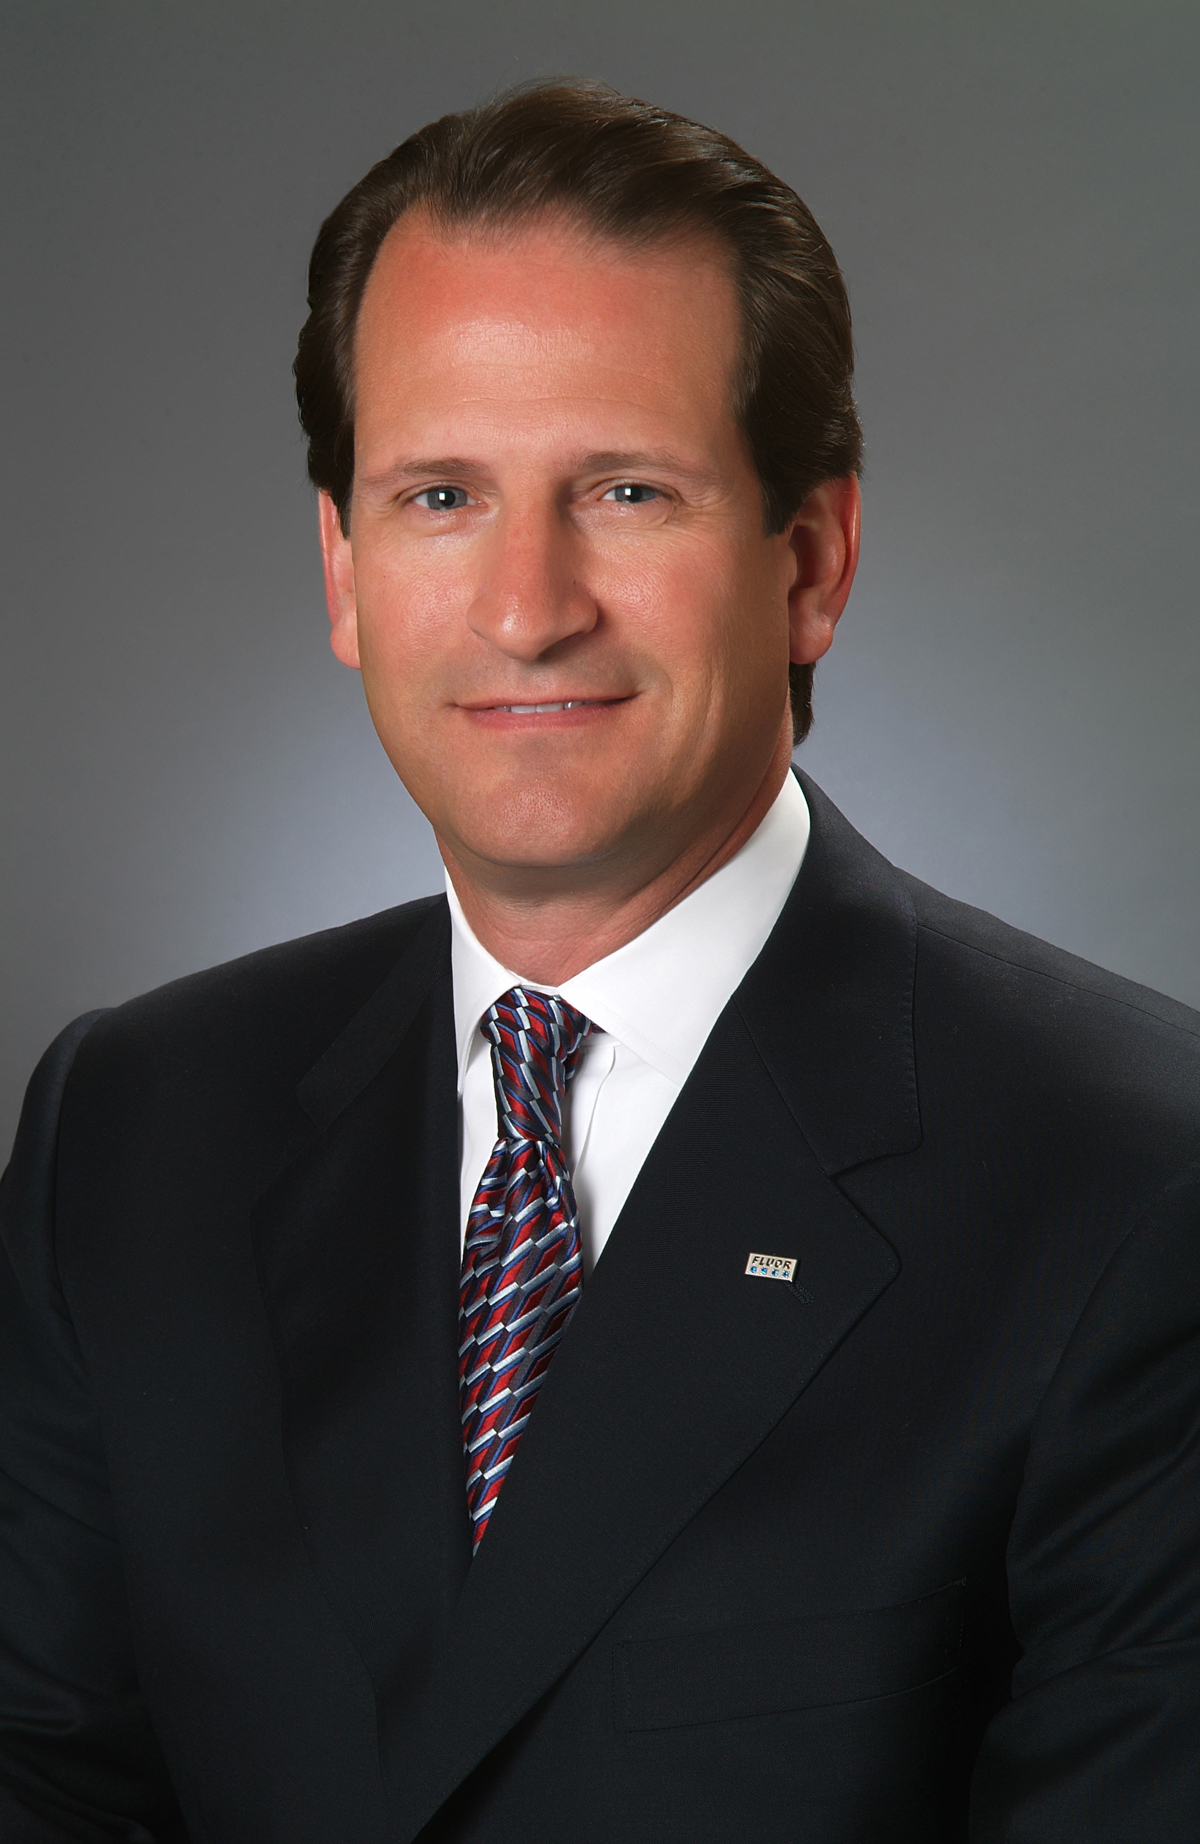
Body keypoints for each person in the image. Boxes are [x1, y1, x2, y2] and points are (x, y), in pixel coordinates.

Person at [1, 79, 1198, 1844]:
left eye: (626, 490)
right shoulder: (132, 1128)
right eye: (440, 496)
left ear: (812, 562)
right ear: (343, 570)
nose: (526, 606)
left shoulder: (1136, 1181)